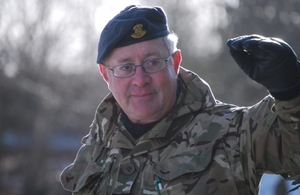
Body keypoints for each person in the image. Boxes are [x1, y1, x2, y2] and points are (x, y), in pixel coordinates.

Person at [60, 5, 300, 195]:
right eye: (125, 67)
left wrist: (291, 90)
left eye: (153, 62)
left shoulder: (235, 132)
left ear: (175, 63)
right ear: (105, 74)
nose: (140, 79)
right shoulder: (97, 148)